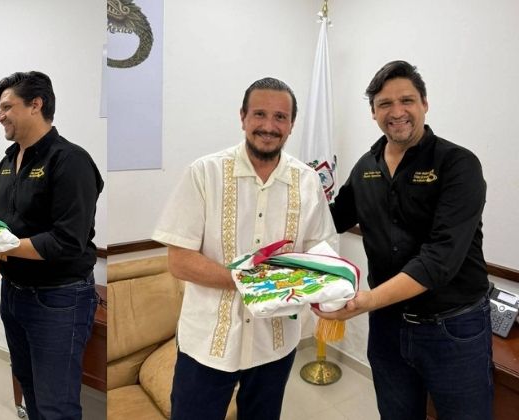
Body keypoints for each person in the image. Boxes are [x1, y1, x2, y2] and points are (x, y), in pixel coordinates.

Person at [315, 60, 492, 419]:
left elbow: (439, 260)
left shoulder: (458, 164)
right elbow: (332, 219)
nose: (397, 112)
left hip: (453, 328)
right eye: (385, 104)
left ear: (425, 103)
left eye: (407, 101)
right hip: (388, 327)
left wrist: (364, 302)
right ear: (373, 112)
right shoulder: (366, 165)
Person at [152, 77, 337, 420]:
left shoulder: (308, 181)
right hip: (207, 345)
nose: (269, 126)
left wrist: (329, 285)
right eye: (260, 114)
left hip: (275, 343)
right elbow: (180, 262)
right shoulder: (204, 173)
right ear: (243, 117)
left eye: (280, 117)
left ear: (292, 124)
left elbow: (322, 252)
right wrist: (259, 283)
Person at [0, 71, 104, 420]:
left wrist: (2, 246)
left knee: (56, 404)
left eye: (7, 107)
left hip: (58, 300)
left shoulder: (70, 161)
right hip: (12, 293)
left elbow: (67, 241)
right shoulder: (8, 162)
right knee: (28, 386)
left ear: (35, 104)